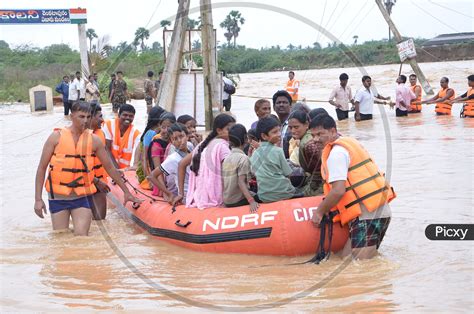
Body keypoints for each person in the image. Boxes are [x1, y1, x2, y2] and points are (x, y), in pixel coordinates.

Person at [34, 101, 142, 236]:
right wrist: (38, 199)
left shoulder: (95, 140)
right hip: (58, 197)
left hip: (82, 196)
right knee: (61, 237)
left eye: (88, 117)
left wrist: (126, 191)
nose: (85, 121)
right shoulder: (56, 137)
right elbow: (41, 168)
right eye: (81, 117)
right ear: (71, 116)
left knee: (82, 237)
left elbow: (110, 168)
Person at [310, 114, 396, 259]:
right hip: (377, 211)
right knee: (347, 259)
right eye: (313, 135)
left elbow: (338, 191)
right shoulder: (348, 143)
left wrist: (319, 212)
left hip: (367, 215)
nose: (316, 139)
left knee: (361, 267)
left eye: (320, 134)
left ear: (332, 131)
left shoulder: (336, 154)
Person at [174, 113, 236, 209]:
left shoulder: (203, 144)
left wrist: (181, 194)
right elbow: (230, 175)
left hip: (200, 196)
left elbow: (181, 164)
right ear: (219, 130)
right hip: (217, 198)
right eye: (229, 129)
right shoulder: (223, 147)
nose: (233, 132)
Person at [250, 116, 298, 203]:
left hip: (264, 196)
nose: (279, 134)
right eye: (275, 132)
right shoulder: (278, 151)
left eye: (279, 130)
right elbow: (288, 174)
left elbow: (253, 172)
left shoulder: (254, 154)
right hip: (285, 194)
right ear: (264, 136)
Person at [147, 123, 191, 203]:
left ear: (187, 136)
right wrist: (168, 193)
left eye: (181, 136)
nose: (179, 141)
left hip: (198, 192)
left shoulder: (190, 146)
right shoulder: (172, 159)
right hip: (186, 196)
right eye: (174, 139)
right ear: (171, 142)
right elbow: (151, 176)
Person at [222, 124, 259, 212]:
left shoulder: (227, 158)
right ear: (246, 139)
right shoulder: (243, 158)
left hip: (227, 200)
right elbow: (241, 182)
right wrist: (251, 201)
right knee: (262, 196)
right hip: (238, 200)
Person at [102, 104, 141, 169]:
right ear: (119, 115)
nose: (128, 118)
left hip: (124, 170)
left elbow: (139, 150)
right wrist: (117, 169)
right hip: (108, 167)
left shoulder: (136, 133)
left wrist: (135, 165)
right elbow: (107, 148)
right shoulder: (109, 125)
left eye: (131, 116)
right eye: (125, 115)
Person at [88, 104, 109, 220]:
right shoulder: (79, 137)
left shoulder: (101, 134)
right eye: (100, 116)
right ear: (90, 117)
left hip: (100, 183)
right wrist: (96, 181)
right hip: (83, 184)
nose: (102, 120)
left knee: (100, 220)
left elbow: (106, 160)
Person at [136, 106, 166, 188]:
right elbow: (144, 159)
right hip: (148, 171)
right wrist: (149, 178)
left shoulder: (158, 133)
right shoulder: (151, 134)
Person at [148, 113, 176, 196]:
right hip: (161, 184)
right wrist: (165, 192)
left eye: (169, 127)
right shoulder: (156, 146)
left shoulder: (175, 142)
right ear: (159, 127)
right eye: (163, 127)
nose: (166, 130)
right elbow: (158, 170)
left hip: (173, 180)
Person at [272, 90, 293, 158]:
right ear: (274, 107)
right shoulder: (273, 125)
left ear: (290, 106)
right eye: (278, 103)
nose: (281, 105)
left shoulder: (294, 125)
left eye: (284, 102)